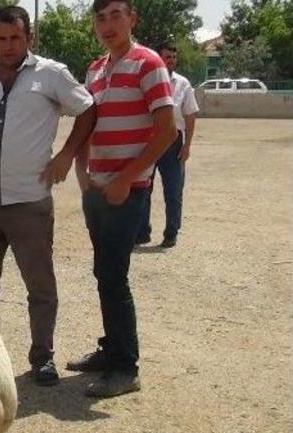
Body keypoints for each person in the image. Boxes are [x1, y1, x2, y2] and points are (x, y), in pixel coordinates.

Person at [0, 6, 96, 387]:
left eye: (16, 38)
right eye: (1, 38)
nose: (8, 46)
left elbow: (88, 108)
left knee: (39, 285)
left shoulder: (51, 75)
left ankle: (43, 357)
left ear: (29, 39)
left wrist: (65, 156)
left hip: (29, 202)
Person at [68, 0, 176, 397]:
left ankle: (125, 368)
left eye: (116, 15)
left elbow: (166, 130)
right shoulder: (96, 68)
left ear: (133, 19)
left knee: (113, 276)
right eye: (100, 18)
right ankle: (111, 348)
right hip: (97, 189)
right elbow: (88, 121)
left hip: (126, 191)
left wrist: (126, 179)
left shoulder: (149, 64)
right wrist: (82, 171)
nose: (108, 25)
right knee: (104, 272)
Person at [136, 39, 198, 249]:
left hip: (173, 141)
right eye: (166, 56)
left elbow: (190, 115)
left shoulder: (183, 84)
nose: (170, 60)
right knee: (143, 187)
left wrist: (187, 145)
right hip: (150, 139)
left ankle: (171, 232)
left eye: (173, 57)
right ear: (158, 57)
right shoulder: (146, 80)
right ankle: (142, 232)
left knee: (173, 189)